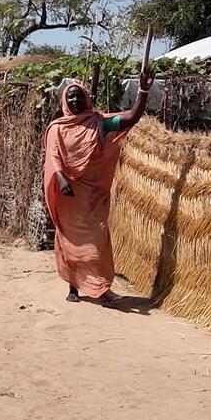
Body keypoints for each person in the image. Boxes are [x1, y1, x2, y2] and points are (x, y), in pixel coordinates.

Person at [43, 70, 154, 304]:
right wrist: (62, 180)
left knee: (97, 241)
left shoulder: (99, 123)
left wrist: (143, 91)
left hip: (94, 196)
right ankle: (73, 286)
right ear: (64, 101)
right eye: (71, 97)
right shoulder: (57, 128)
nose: (75, 101)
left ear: (86, 99)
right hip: (69, 194)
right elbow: (54, 158)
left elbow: (131, 118)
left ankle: (101, 287)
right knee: (70, 240)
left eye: (78, 97)